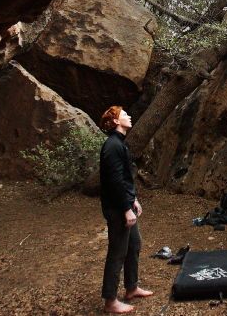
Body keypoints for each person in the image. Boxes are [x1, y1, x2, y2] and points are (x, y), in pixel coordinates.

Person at [99, 106, 153, 313]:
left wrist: (134, 200)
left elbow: (125, 178)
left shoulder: (120, 144)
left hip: (125, 204)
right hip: (117, 209)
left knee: (134, 245)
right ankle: (110, 301)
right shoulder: (112, 145)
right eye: (124, 115)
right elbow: (114, 181)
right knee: (117, 252)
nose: (129, 116)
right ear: (115, 122)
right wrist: (125, 209)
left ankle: (131, 288)